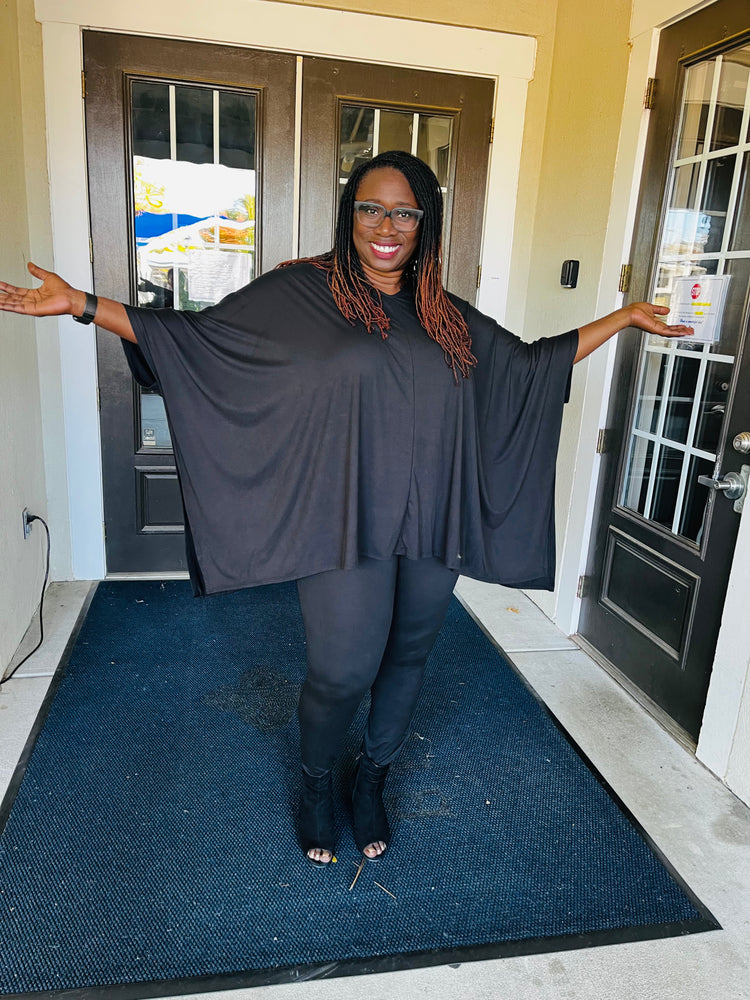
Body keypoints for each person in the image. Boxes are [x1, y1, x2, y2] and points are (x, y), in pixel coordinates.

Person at [0, 150, 692, 868]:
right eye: (370, 209)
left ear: (425, 223)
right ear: (349, 214)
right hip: (343, 516)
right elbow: (198, 338)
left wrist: (624, 318)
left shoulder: (443, 313)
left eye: (404, 213)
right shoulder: (303, 291)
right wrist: (83, 305)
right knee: (342, 671)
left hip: (433, 515)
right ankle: (315, 782)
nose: (386, 227)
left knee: (408, 655)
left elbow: (528, 365)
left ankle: (372, 779)